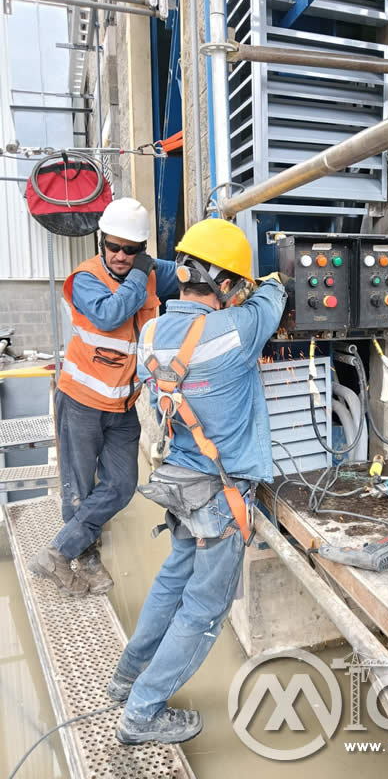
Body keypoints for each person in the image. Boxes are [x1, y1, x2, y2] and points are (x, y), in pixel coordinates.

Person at [106, 217, 287, 746]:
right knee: (204, 610)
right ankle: (142, 714)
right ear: (228, 285)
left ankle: (125, 679)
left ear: (181, 272)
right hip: (220, 493)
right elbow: (273, 294)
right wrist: (259, 282)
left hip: (179, 481)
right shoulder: (239, 327)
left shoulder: (149, 332)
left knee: (170, 583)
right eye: (236, 283)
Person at [29, 197, 179, 596]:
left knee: (121, 485)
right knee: (78, 486)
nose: (120, 255)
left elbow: (187, 273)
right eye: (113, 246)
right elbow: (110, 315)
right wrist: (143, 272)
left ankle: (57, 552)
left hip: (124, 407)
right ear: (102, 242)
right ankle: (84, 559)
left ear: (142, 250)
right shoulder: (85, 278)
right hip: (80, 402)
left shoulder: (147, 272)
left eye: (131, 250)